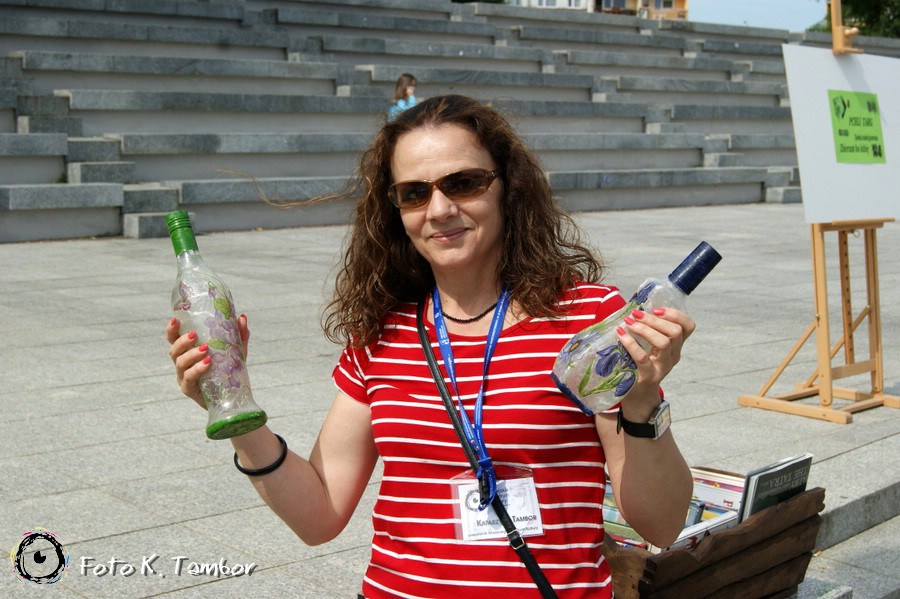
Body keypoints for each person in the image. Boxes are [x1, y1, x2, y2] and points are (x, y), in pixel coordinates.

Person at [167, 94, 694, 598]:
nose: (439, 209)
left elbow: (662, 524)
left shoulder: (588, 319)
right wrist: (235, 409)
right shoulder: (381, 335)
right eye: (414, 193)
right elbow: (319, 516)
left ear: (507, 187)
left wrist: (642, 402)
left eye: (463, 183)